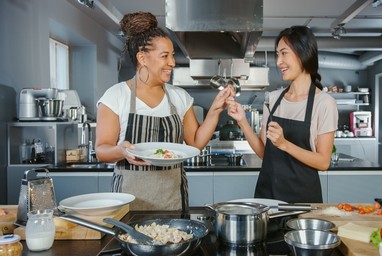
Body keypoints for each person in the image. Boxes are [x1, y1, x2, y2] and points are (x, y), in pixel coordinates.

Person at [95, 12, 233, 211]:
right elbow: (102, 150)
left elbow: (195, 144)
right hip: (128, 199)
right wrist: (121, 151)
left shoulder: (179, 97)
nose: (172, 63)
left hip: (172, 198)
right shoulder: (116, 96)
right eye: (165, 56)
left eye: (172, 55)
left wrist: (215, 110)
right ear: (142, 58)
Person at [227, 26, 338, 203]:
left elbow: (324, 162)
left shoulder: (324, 103)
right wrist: (243, 122)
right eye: (277, 54)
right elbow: (264, 153)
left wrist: (284, 144)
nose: (279, 62)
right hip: (267, 197)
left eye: (284, 53)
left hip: (303, 201)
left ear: (304, 53)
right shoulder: (273, 98)